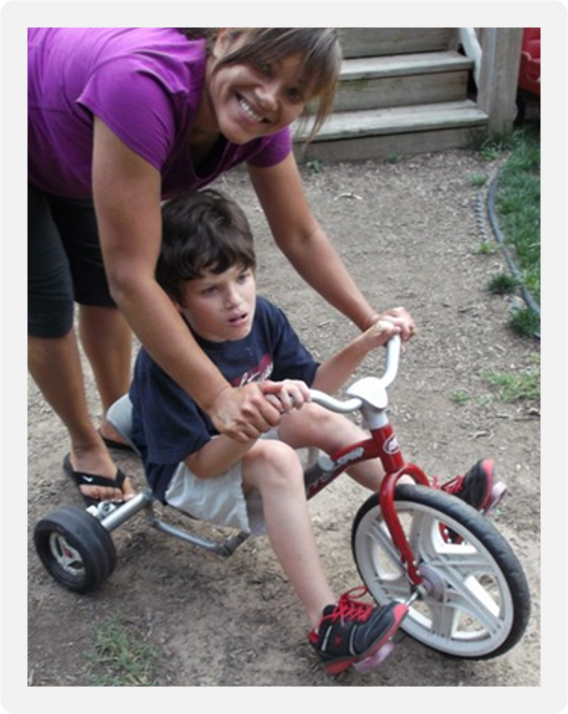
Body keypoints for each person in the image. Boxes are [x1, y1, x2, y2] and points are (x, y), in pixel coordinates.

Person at [28, 27, 416, 507]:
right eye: (265, 67)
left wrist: (367, 319)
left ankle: (121, 420)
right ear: (229, 36)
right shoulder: (140, 85)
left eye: (293, 92)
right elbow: (132, 279)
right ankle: (86, 443)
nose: (269, 98)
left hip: (85, 148)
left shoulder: (259, 121)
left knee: (101, 293)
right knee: (46, 305)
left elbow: (299, 233)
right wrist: (216, 396)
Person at [129, 188, 496, 673]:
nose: (235, 300)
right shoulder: (165, 363)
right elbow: (198, 462)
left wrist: (364, 341)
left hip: (245, 443)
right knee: (277, 457)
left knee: (320, 414)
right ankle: (327, 623)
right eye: (210, 290)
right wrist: (250, 431)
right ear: (175, 302)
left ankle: (427, 506)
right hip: (191, 470)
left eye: (242, 277)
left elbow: (315, 386)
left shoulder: (263, 317)